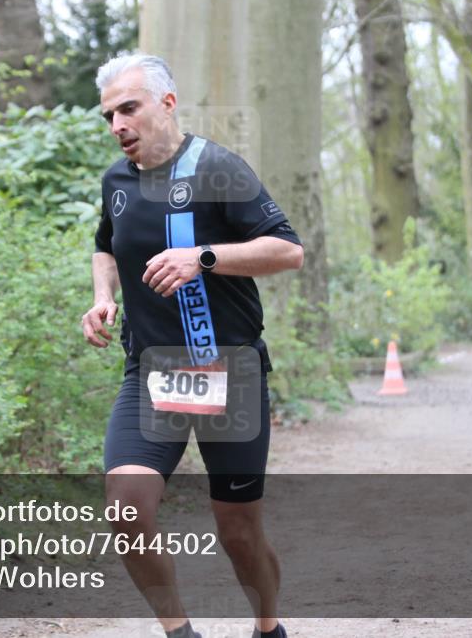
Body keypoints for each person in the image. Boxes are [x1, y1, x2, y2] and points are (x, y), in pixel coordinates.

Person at [80, 52, 303, 638]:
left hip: (230, 373)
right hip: (151, 374)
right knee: (127, 507)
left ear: (166, 103)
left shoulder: (218, 169)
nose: (117, 125)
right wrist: (104, 295)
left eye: (128, 108)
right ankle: (180, 633)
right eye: (108, 116)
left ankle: (268, 627)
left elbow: (288, 250)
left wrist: (202, 257)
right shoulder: (116, 182)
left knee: (238, 533)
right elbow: (106, 243)